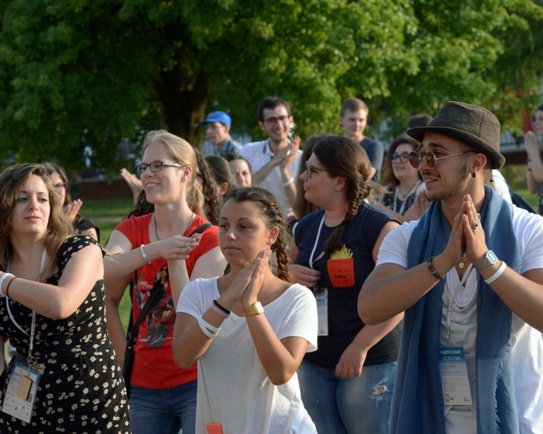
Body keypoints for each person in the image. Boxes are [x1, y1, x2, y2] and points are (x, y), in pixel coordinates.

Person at [358, 101, 543, 433]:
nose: (423, 166)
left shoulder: (528, 229)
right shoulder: (407, 237)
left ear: (476, 162)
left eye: (436, 154)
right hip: (435, 419)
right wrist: (440, 264)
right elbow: (370, 307)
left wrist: (487, 261)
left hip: (518, 419)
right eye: (420, 155)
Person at [103, 130, 225, 434]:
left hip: (196, 381)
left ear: (185, 173)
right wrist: (123, 358)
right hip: (143, 385)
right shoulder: (132, 229)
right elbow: (101, 273)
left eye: (158, 166)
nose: (147, 175)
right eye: (144, 167)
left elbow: (192, 315)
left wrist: (174, 258)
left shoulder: (209, 238)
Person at [173, 187, 317, 433]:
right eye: (224, 225)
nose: (230, 235)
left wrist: (251, 305)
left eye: (244, 227)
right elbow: (183, 357)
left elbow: (280, 372)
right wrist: (225, 301)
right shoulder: (198, 292)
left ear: (271, 235)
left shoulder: (296, 298)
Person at [0, 163, 129, 432]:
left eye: (42, 198)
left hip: (89, 399)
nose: (34, 205)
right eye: (22, 198)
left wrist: (4, 282)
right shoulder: (4, 263)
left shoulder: (80, 249)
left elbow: (61, 304)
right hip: (23, 403)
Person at [290, 134, 401, 434]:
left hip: (368, 361)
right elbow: (281, 281)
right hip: (315, 361)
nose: (303, 176)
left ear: (339, 181)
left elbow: (400, 299)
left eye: (313, 171)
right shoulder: (306, 227)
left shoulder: (379, 228)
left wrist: (359, 347)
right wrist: (289, 274)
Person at [240, 96, 301, 217]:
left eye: (282, 118)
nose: (278, 125)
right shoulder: (249, 151)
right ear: (262, 125)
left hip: (290, 222)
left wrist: (284, 171)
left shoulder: (302, 157)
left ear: (290, 120)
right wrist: (274, 162)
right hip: (255, 219)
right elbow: (240, 190)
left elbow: (298, 207)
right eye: (271, 120)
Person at [42, 161, 100, 241]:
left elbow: (92, 251)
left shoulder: (83, 226)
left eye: (59, 185)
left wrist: (65, 226)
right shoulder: (33, 226)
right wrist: (61, 227)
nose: (55, 191)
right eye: (49, 187)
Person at [376, 134, 425, 222]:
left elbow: (405, 223)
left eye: (405, 156)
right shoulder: (387, 190)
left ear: (419, 160)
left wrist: (374, 205)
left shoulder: (424, 189)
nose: (397, 161)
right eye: (395, 156)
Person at [339, 97, 384, 181]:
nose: (357, 124)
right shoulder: (335, 146)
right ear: (341, 120)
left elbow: (365, 176)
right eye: (352, 119)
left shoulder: (373, 146)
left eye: (361, 120)